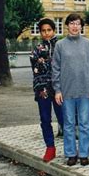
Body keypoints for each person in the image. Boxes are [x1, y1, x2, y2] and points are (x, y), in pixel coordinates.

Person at [52, 14, 89, 166]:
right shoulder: (60, 45)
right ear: (67, 25)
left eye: (77, 23)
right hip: (67, 91)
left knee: (85, 123)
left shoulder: (88, 44)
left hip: (85, 91)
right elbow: (56, 69)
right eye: (72, 23)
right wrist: (57, 90)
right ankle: (71, 153)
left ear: (81, 26)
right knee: (69, 124)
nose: (74, 26)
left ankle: (84, 154)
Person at [30, 18, 64, 162]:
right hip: (43, 89)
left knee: (64, 119)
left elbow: (64, 67)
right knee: (45, 119)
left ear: (54, 30)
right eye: (43, 31)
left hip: (60, 90)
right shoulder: (37, 49)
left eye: (49, 30)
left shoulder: (62, 46)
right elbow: (36, 69)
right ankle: (50, 147)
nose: (46, 33)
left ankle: (70, 149)